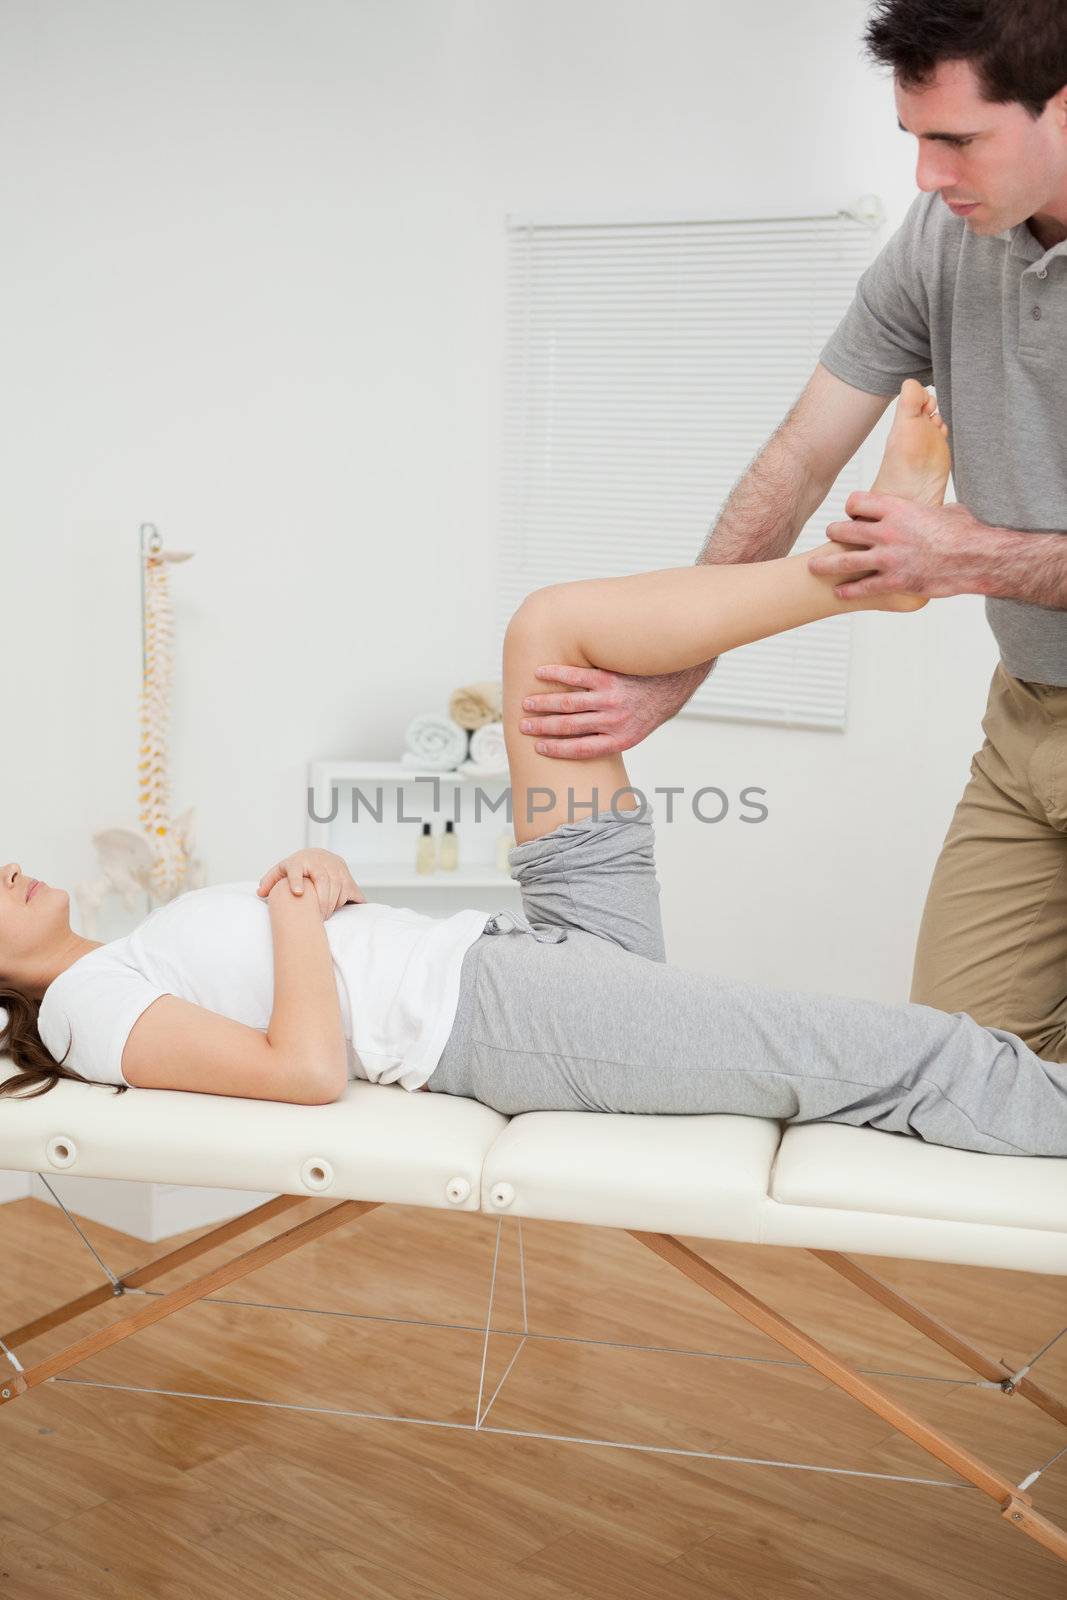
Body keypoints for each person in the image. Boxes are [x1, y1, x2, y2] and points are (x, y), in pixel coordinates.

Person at [1, 381, 1065, 1156]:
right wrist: (290, 916)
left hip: (520, 952)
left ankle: (862, 576)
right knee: (914, 1054)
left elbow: (314, 991)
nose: (6, 872)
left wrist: (321, 881)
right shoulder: (80, 1010)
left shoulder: (129, 953)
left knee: (550, 633)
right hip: (505, 1019)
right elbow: (304, 1072)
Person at [514, 0, 1067, 1063]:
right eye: (912, 139)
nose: (925, 175)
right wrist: (678, 660)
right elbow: (800, 454)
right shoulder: (941, 239)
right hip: (1023, 724)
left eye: (957, 139)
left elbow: (952, 552)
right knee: (956, 1077)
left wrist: (967, 556)